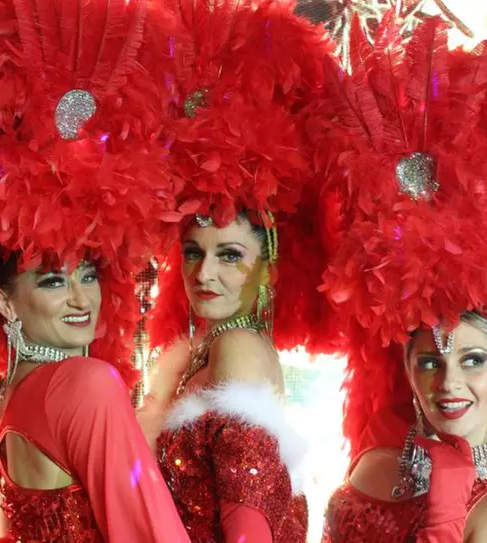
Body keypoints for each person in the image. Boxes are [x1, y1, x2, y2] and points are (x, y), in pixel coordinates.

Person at [0, 0, 191, 540]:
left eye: (89, 273)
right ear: (4, 300)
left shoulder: (13, 396)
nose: (82, 298)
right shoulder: (84, 383)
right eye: (53, 279)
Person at [316, 15, 487, 543]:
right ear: (407, 368)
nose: (448, 383)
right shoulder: (373, 466)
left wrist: (445, 517)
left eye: (472, 359)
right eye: (430, 360)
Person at [140, 1, 340, 541]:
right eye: (192, 251)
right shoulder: (201, 351)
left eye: (230, 255)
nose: (205, 272)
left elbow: (247, 527)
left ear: (267, 271)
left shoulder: (240, 350)